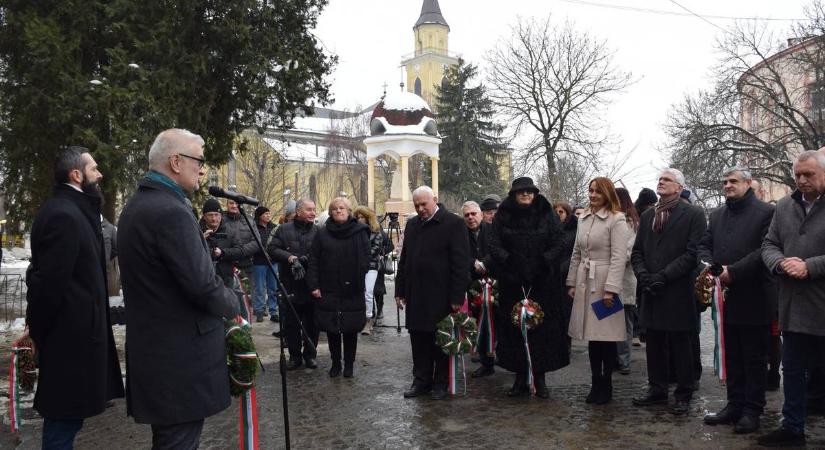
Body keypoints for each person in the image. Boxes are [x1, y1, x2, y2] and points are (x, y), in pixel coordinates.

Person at [118, 129, 239, 448]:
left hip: (159, 355)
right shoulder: (171, 211)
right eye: (198, 160)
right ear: (175, 162)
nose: (202, 169)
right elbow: (202, 285)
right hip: (178, 360)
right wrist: (233, 304)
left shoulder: (139, 205)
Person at [24, 146, 124, 448]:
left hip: (76, 338)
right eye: (94, 168)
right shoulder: (64, 215)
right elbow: (48, 285)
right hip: (68, 342)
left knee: (68, 419)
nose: (100, 174)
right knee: (62, 421)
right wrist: (37, 331)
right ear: (77, 175)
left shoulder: (75, 211)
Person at [698, 166, 776, 434]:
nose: (727, 185)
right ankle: (734, 405)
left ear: (748, 183)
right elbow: (704, 245)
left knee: (753, 357)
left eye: (733, 181)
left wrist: (733, 272)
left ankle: (752, 410)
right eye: (724, 182)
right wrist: (710, 267)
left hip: (754, 296)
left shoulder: (766, 212)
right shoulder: (717, 215)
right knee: (731, 355)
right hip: (725, 298)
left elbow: (764, 250)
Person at [758, 150, 825, 447]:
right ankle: (793, 428)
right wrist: (780, 262)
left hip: (821, 303)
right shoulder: (784, 205)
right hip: (792, 305)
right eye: (797, 174)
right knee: (793, 370)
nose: (802, 180)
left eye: (809, 174)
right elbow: (769, 244)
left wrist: (809, 266)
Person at [631, 168, 706, 415]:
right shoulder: (648, 215)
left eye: (667, 179)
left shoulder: (693, 214)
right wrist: (643, 275)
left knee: (680, 344)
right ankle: (657, 389)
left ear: (679, 187)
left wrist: (664, 276)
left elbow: (692, 253)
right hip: (651, 289)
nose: (661, 182)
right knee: (654, 343)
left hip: (678, 288)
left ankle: (684, 393)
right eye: (660, 179)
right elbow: (638, 251)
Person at [489, 177, 569, 399]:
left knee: (540, 331)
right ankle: (519, 378)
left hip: (542, 282)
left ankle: (540, 378)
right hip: (513, 282)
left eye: (529, 191)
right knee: (515, 329)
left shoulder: (546, 212)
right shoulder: (503, 214)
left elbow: (559, 241)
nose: (525, 194)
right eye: (521, 191)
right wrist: (509, 262)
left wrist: (545, 261)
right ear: (514, 194)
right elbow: (494, 244)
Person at [396, 186, 470, 400]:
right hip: (416, 293)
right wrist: (400, 290)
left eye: (424, 204)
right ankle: (421, 381)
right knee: (418, 341)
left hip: (442, 295)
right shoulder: (412, 225)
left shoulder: (454, 224)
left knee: (440, 340)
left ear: (434, 200)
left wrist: (457, 296)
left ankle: (440, 382)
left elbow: (460, 263)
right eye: (416, 205)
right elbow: (405, 260)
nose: (420, 209)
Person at [566, 177, 628, 405]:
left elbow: (619, 257)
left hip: (604, 284)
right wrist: (572, 282)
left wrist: (611, 289)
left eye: (598, 192)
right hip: (585, 281)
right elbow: (576, 253)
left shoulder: (616, 219)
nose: (592, 195)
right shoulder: (583, 218)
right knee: (592, 337)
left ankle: (607, 384)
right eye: (590, 191)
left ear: (607, 194)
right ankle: (595, 382)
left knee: (607, 337)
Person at [307, 198, 370, 377]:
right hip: (329, 287)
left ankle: (349, 365)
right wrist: (314, 285)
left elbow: (366, 257)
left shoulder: (360, 231)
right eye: (334, 209)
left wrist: (357, 277)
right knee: (332, 329)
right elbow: (314, 260)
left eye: (342, 208)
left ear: (349, 211)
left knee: (350, 329)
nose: (338, 211)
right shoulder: (322, 233)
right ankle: (335, 363)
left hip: (352, 288)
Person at [268, 199, 320, 370]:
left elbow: (323, 254)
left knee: (312, 323)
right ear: (298, 211)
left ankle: (310, 355)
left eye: (314, 209)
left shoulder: (318, 231)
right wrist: (290, 258)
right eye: (309, 209)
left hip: (311, 284)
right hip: (290, 284)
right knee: (291, 324)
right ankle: (294, 356)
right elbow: (272, 249)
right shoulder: (284, 229)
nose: (313, 213)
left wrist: (307, 259)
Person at [462, 200, 496, 378]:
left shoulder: (493, 230)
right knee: (478, 322)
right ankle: (486, 362)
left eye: (473, 214)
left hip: (494, 281)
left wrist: (484, 263)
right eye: (467, 215)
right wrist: (472, 263)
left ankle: (500, 355)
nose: (470, 217)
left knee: (496, 320)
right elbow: (459, 254)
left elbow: (497, 250)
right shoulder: (460, 233)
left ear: (481, 215)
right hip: (473, 283)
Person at [614, 187, 640, 375]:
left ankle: (623, 360)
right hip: (608, 279)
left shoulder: (630, 222)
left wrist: (610, 263)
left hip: (623, 279)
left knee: (623, 321)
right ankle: (612, 358)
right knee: (607, 318)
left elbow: (628, 251)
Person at [222, 198, 261, 315]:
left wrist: (240, 251)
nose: (234, 206)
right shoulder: (220, 219)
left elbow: (257, 242)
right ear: (227, 204)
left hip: (245, 267)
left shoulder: (249, 220)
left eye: (236, 203)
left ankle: (246, 323)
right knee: (228, 300)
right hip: (226, 267)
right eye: (231, 203)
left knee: (246, 300)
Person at [353, 205, 384, 335]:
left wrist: (360, 256)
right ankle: (359, 318)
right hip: (356, 265)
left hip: (371, 265)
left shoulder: (376, 232)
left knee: (368, 292)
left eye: (362, 217)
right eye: (358, 217)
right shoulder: (354, 232)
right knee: (358, 292)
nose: (360, 219)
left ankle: (368, 319)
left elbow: (375, 249)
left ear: (367, 218)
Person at [554, 200, 578, 351]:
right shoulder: (550, 230)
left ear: (567, 214)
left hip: (567, 276)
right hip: (552, 276)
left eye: (561, 212)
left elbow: (575, 254)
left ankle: (566, 344)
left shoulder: (574, 231)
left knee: (566, 312)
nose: (558, 215)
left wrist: (561, 268)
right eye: (555, 212)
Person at [199, 197, 238, 287]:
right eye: (210, 215)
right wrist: (201, 239)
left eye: (216, 215)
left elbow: (240, 250)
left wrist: (223, 253)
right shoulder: (196, 231)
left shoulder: (230, 231)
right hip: (203, 279)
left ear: (221, 216)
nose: (214, 218)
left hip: (225, 279)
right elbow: (189, 252)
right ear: (204, 216)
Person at [253, 206, 279, 323]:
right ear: (259, 216)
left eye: (269, 213)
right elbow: (253, 243)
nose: (268, 216)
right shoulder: (254, 227)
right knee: (259, 288)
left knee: (273, 288)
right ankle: (259, 310)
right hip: (259, 262)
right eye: (265, 214)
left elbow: (277, 242)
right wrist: (262, 252)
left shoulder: (274, 227)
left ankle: (273, 311)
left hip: (272, 262)